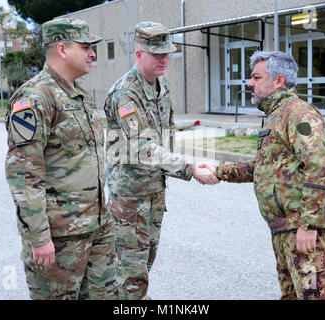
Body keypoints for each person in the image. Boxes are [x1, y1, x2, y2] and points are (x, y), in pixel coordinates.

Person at [202, 51, 325, 300]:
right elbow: (266, 167)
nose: (249, 83)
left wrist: (308, 225)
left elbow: (319, 166)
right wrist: (218, 170)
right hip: (285, 231)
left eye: (256, 77)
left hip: (308, 235)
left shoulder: (298, 114)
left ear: (278, 81)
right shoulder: (276, 115)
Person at [4, 17, 118, 300]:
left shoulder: (80, 96)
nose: (92, 53)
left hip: (97, 227)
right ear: (63, 50)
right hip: (60, 236)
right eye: (86, 46)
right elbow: (24, 176)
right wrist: (39, 237)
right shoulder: (33, 98)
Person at [103, 21, 218, 300]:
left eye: (167, 53)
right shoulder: (125, 94)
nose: (164, 59)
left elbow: (166, 133)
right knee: (130, 274)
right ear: (139, 54)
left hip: (154, 192)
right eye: (157, 54)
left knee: (145, 264)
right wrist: (189, 169)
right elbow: (142, 146)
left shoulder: (161, 84)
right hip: (130, 199)